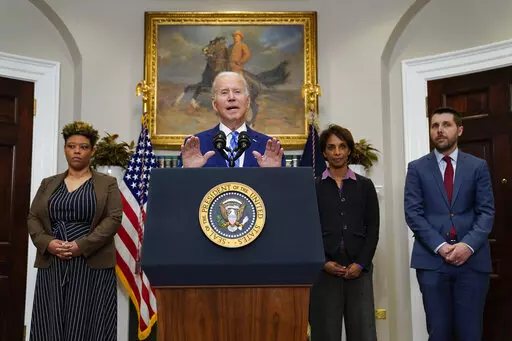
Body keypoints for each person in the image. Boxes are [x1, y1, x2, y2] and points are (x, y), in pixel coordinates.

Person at [404, 107, 495, 341]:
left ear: (459, 129)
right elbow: (413, 214)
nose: (440, 130)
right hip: (432, 262)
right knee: (439, 332)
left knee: (470, 333)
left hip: (472, 263)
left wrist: (467, 246)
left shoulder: (478, 166)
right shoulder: (416, 168)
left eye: (446, 124)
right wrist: (441, 247)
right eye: (435, 126)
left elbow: (486, 212)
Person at [28, 121, 122, 341]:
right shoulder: (48, 183)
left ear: (93, 150)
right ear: (65, 149)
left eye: (83, 146)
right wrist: (48, 243)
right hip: (53, 261)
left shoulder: (106, 183)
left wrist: (82, 245)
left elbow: (114, 218)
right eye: (71, 146)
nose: (77, 151)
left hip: (93, 261)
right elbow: (33, 217)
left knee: (91, 322)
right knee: (49, 321)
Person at [309, 124, 379, 341]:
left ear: (349, 150)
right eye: (331, 147)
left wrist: (360, 264)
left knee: (362, 332)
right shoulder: (314, 187)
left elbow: (373, 228)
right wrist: (323, 262)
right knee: (325, 332)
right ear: (324, 153)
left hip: (358, 269)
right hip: (324, 270)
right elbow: (308, 230)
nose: (337, 152)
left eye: (342, 146)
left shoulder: (365, 186)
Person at [180, 71, 284, 168]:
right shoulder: (195, 145)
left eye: (237, 92)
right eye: (224, 93)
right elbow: (180, 186)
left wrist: (273, 174)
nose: (231, 97)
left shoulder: (270, 147)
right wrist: (188, 172)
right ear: (215, 104)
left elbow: (282, 187)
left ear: (247, 102)